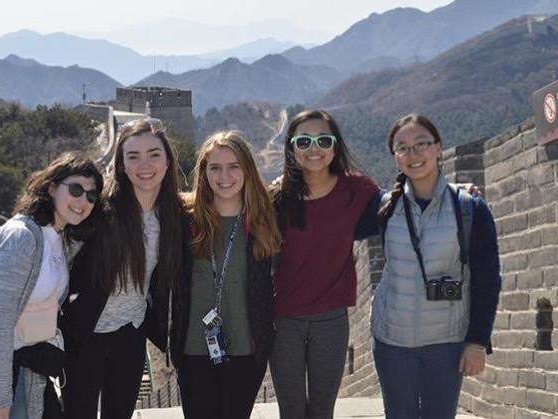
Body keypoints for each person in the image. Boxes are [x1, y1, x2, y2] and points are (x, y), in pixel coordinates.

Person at [0, 152, 104, 419]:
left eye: (91, 195)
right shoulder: (21, 236)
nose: (83, 201)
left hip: (23, 364)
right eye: (76, 189)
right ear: (52, 187)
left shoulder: (59, 238)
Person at [370, 114, 501, 419]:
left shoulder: (469, 208)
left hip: (447, 342)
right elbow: (332, 211)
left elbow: (487, 279)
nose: (413, 155)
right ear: (394, 157)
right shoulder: (384, 208)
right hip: (392, 341)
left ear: (439, 148)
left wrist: (478, 342)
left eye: (421, 144)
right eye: (402, 148)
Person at [62, 118, 184, 419]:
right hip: (85, 333)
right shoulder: (99, 212)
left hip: (130, 333)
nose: (145, 165)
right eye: (133, 156)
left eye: (154, 154)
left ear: (167, 162)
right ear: (121, 165)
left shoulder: (174, 216)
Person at [270, 109, 381, 419]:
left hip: (331, 320)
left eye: (323, 140)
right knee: (291, 412)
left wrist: (454, 193)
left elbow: (401, 202)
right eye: (303, 141)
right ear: (291, 148)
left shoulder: (357, 190)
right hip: (283, 322)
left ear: (335, 146)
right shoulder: (277, 198)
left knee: (322, 412)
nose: (313, 148)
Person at [171, 131, 282, 419]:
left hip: (247, 346)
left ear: (247, 169)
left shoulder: (263, 219)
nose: (225, 176)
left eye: (234, 166)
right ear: (203, 172)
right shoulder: (186, 220)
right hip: (194, 347)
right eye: (215, 167)